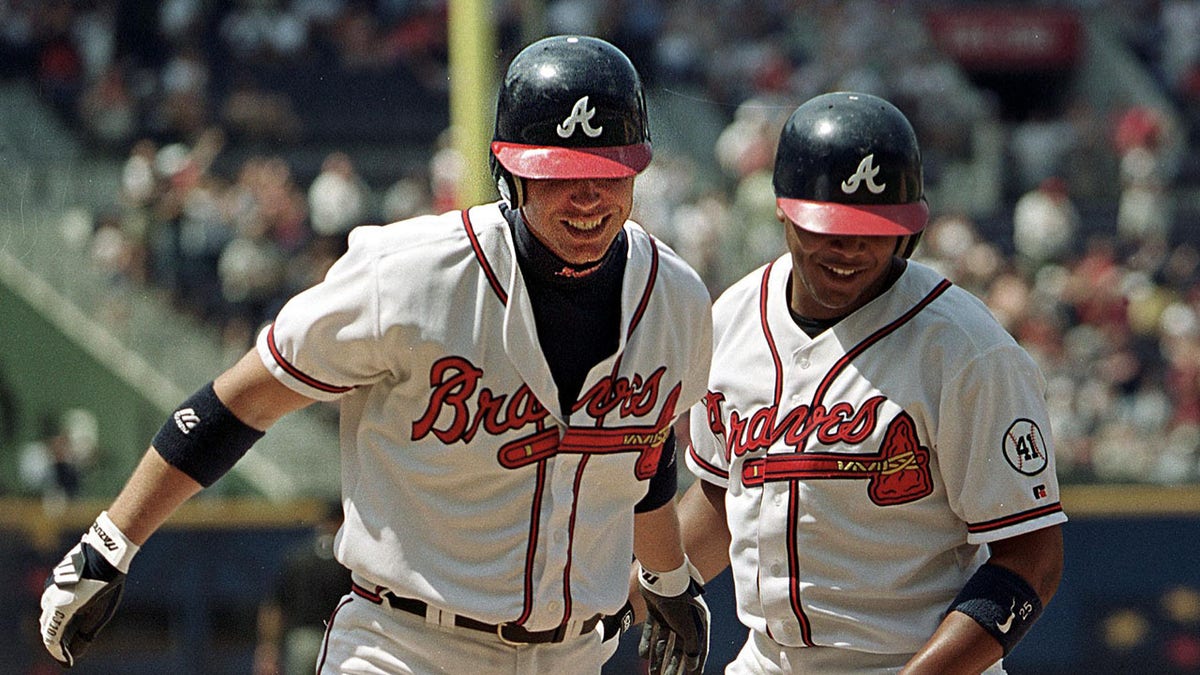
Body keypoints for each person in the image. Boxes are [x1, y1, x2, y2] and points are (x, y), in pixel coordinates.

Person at [38, 35, 713, 675]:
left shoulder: (675, 300)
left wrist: (667, 577)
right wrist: (112, 539)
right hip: (406, 645)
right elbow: (244, 397)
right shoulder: (409, 277)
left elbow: (643, 456)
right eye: (562, 174)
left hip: (573, 655)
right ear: (510, 172)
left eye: (609, 171)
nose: (589, 196)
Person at [672, 92, 1068, 673]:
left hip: (915, 660)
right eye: (829, 226)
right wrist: (638, 592)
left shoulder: (966, 349)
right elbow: (719, 492)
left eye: (875, 228)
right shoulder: (733, 318)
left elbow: (1032, 555)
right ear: (783, 207)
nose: (852, 247)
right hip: (766, 660)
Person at [254, 501, 350, 675]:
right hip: (334, 639)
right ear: (341, 521)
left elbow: (274, 608)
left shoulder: (297, 556)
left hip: (300, 640)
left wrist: (268, 648)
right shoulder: (345, 560)